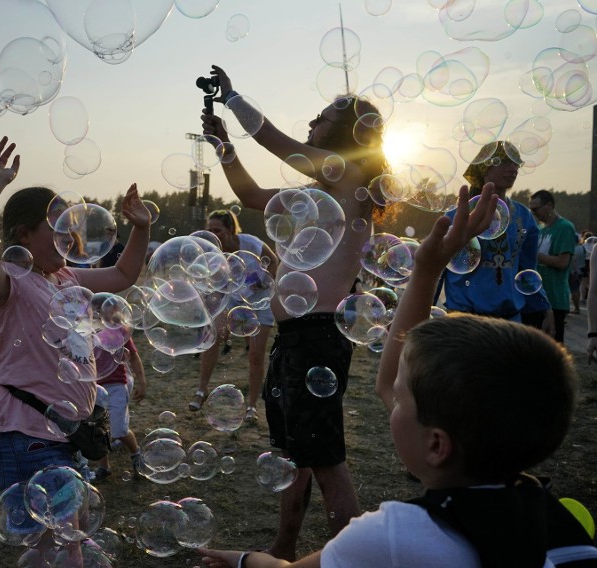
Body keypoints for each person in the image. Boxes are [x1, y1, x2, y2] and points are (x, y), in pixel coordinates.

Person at [198, 185, 596, 568]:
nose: (389, 397)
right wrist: (426, 268)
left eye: (403, 401)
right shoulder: (562, 523)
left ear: (437, 446)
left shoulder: (395, 535)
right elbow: (390, 381)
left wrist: (245, 561)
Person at [201, 65, 389, 557]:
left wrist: (234, 97)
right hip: (295, 338)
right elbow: (250, 197)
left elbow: (278, 141)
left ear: (346, 132)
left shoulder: (350, 178)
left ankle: (353, 559)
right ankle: (284, 548)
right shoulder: (315, 198)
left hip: (319, 335)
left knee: (324, 457)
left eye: (323, 116)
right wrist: (225, 147)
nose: (313, 120)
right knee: (294, 455)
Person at [0, 132, 150, 494]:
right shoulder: (8, 282)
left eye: (71, 230)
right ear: (23, 234)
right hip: (25, 435)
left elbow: (123, 275)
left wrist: (141, 228)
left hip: (65, 431)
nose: (70, 239)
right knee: (57, 542)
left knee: (68, 536)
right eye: (58, 230)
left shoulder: (65, 276)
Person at [441, 141, 552, 335]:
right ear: (483, 168)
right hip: (462, 322)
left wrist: (544, 307)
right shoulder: (456, 217)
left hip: (510, 323)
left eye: (516, 163)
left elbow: (527, 271)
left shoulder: (525, 218)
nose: (513, 169)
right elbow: (437, 271)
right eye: (503, 162)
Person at [189, 209, 278, 424]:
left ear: (230, 229)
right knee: (214, 338)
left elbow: (274, 262)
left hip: (261, 298)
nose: (213, 234)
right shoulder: (212, 253)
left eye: (217, 230)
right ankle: (202, 390)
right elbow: (215, 282)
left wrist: (263, 282)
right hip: (234, 296)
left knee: (256, 355)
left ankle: (251, 406)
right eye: (209, 230)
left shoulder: (250, 243)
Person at [90, 337, 146, 482]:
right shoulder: (85, 330)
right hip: (93, 387)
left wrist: (142, 382)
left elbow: (133, 356)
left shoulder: (119, 331)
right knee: (98, 428)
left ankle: (136, 455)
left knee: (118, 429)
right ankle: (104, 467)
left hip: (117, 386)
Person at [529, 189, 578, 343]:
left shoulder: (564, 227)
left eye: (535, 209)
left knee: (552, 349)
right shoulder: (540, 230)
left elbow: (563, 263)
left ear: (549, 205)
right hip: (539, 298)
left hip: (555, 299)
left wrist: (533, 255)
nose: (533, 213)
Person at [569, 234, 587, 315]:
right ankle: (577, 307)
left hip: (574, 271)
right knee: (577, 289)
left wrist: (574, 271)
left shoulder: (573, 249)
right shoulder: (582, 247)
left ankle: (576, 308)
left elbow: (574, 261)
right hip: (581, 270)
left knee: (573, 290)